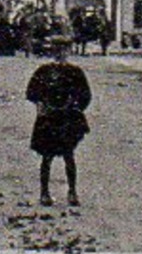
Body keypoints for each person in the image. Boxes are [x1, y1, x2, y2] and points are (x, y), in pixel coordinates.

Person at [25, 36, 92, 206]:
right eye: (57, 50)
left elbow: (85, 95)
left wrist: (76, 107)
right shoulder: (44, 71)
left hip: (67, 117)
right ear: (52, 51)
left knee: (69, 155)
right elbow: (31, 91)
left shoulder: (75, 72)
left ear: (68, 51)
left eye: (63, 50)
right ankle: (44, 193)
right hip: (48, 116)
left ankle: (72, 192)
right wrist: (40, 104)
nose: (60, 53)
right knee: (46, 157)